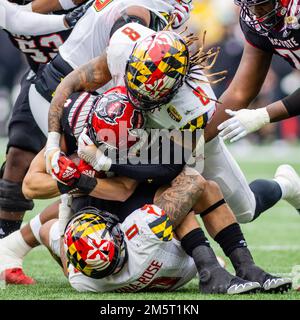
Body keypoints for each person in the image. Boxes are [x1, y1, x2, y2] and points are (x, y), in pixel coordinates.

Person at [1, 86, 291, 292]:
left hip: (103, 222)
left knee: (66, 221)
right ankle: (211, 267)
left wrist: (75, 171)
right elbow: (33, 186)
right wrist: (83, 172)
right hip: (136, 232)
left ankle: (222, 266)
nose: (128, 145)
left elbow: (47, 222)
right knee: (194, 187)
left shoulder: (80, 278)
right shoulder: (81, 131)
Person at [0, 0, 90, 241]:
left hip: (88, 83)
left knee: (88, 159)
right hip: (41, 78)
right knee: (17, 158)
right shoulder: (9, 9)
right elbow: (17, 18)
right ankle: (5, 250)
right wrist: (66, 20)